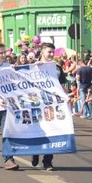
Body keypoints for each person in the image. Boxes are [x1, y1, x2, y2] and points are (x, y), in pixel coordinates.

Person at [31, 43, 67, 171]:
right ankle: (35, 153)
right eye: (49, 52)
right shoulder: (34, 66)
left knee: (52, 132)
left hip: (53, 105)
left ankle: (48, 161)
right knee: (38, 131)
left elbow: (62, 85)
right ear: (42, 53)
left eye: (53, 52)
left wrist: (65, 98)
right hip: (37, 104)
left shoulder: (57, 68)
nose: (51, 54)